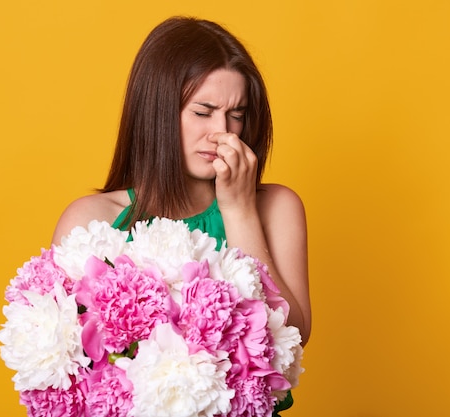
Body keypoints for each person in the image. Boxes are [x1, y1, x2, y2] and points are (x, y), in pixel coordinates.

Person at [51, 16, 311, 347]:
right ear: (157, 112)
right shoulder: (91, 220)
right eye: (203, 112)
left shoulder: (276, 208)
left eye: (237, 114)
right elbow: (72, 355)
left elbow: (293, 336)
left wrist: (239, 211)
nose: (223, 132)